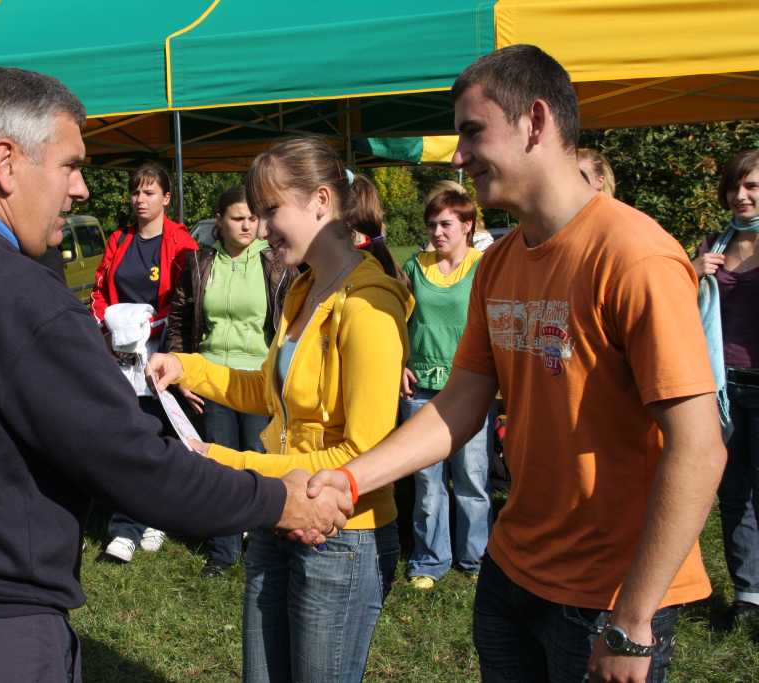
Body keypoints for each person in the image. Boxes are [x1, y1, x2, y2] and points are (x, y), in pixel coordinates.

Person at [0, 66, 350, 682]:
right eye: (70, 165)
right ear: (5, 161)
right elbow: (135, 465)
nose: (81, 191)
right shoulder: (21, 296)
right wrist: (277, 500)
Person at [304, 45, 726, 683]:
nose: (458, 155)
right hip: (511, 572)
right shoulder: (498, 262)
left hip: (605, 598)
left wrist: (634, 621)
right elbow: (460, 404)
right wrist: (351, 479)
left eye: (472, 132)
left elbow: (698, 449)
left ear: (535, 122)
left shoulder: (635, 257)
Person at [150, 136, 412, 682]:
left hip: (342, 534)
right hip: (279, 513)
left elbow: (362, 453)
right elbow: (270, 394)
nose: (263, 228)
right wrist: (187, 368)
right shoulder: (302, 290)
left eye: (272, 211)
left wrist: (228, 463)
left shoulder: (368, 306)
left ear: (320, 200)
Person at [167, 185, 296, 577]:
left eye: (253, 218)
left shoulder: (278, 264)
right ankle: (223, 551)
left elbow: (291, 325)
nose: (247, 224)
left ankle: (261, 545)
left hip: (259, 379)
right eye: (238, 217)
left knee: (259, 464)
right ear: (219, 221)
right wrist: (183, 371)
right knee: (219, 467)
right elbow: (179, 320)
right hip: (211, 379)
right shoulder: (199, 263)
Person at [90, 161, 198, 563]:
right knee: (126, 434)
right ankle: (125, 527)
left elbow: (185, 300)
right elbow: (101, 289)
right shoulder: (118, 240)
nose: (140, 200)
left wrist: (154, 328)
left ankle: (154, 516)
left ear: (166, 198)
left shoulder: (182, 243)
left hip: (160, 353)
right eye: (136, 192)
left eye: (149, 192)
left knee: (159, 436)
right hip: (121, 355)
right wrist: (108, 323)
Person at [399, 187, 493, 590]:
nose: (437, 232)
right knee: (426, 478)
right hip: (420, 387)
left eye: (446, 224)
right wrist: (399, 362)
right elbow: (393, 320)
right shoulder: (414, 267)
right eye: (432, 225)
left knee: (472, 475)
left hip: (469, 386)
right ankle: (429, 559)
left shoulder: (484, 266)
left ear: (468, 225)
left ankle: (476, 558)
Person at [692, 149, 759, 626]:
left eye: (752, 186)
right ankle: (749, 596)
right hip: (724, 385)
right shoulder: (715, 242)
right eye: (735, 186)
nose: (740, 195)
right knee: (734, 494)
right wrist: (692, 271)